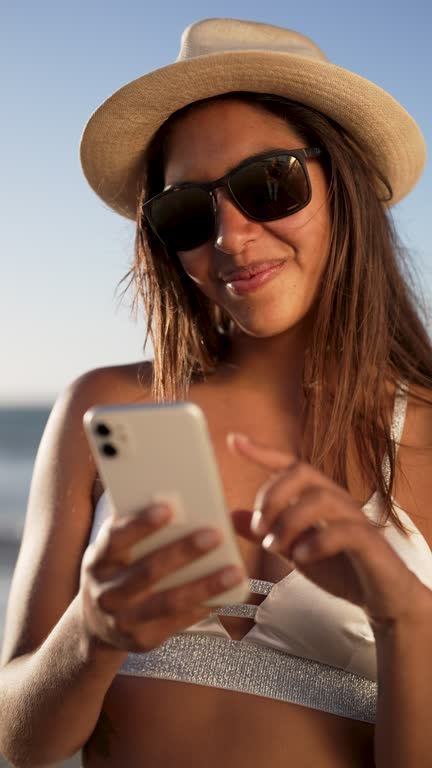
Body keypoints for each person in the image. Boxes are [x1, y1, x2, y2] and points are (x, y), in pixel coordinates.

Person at [1, 17, 432, 768]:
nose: (229, 237)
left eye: (269, 184)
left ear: (346, 185)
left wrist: (405, 618)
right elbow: (20, 742)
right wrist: (91, 633)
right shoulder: (104, 407)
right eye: (187, 212)